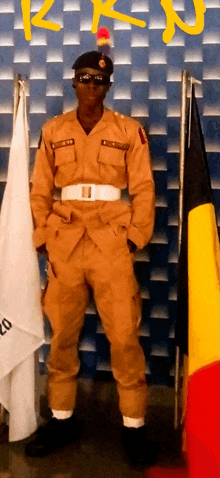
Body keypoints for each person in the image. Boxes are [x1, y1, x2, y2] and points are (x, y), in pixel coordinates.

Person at [25, 51, 155, 467]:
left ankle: (134, 425)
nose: (91, 87)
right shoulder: (53, 130)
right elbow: (40, 189)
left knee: (123, 338)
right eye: (84, 79)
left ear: (108, 86)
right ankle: (62, 419)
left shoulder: (129, 131)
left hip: (111, 242)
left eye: (99, 81)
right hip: (65, 242)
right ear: (74, 82)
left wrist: (133, 239)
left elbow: (145, 189)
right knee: (62, 336)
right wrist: (43, 236)